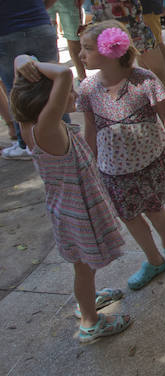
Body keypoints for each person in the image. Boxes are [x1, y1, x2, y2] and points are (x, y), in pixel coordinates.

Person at [9, 54, 131, 343]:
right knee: (84, 268)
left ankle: (87, 299)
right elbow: (63, 75)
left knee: (83, 266)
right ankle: (90, 321)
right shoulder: (46, 128)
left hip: (68, 207)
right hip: (77, 211)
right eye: (67, 93)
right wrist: (36, 66)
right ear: (47, 103)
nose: (72, 92)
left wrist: (24, 62)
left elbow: (20, 60)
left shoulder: (30, 125)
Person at [77, 21, 165, 292]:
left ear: (110, 51)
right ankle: (153, 259)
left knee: (154, 208)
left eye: (87, 49)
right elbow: (91, 129)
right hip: (112, 169)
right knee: (129, 215)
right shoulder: (87, 89)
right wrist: (89, 166)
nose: (81, 55)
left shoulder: (145, 80)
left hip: (150, 161)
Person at [0, 0, 63, 160]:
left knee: (16, 89)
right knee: (55, 84)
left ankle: (27, 145)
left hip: (5, 33)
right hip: (40, 27)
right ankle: (63, 133)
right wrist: (40, 12)